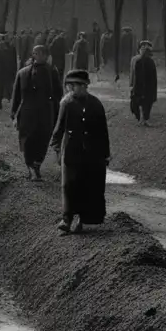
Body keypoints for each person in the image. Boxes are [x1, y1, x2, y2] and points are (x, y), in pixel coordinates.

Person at [50, 69, 110, 235]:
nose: (72, 89)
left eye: (75, 85)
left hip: (92, 152)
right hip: (71, 149)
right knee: (69, 185)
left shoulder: (96, 104)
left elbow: (103, 131)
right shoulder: (66, 103)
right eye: (70, 86)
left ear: (84, 86)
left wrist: (105, 153)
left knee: (88, 185)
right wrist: (55, 147)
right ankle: (66, 219)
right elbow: (59, 127)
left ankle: (83, 220)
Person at [10, 44, 63, 181]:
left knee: (43, 139)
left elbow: (58, 93)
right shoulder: (23, 73)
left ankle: (37, 165)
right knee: (28, 140)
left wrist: (57, 111)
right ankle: (30, 167)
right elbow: (16, 96)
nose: (38, 56)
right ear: (33, 55)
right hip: (27, 113)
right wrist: (13, 113)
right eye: (35, 53)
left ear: (46, 56)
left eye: (41, 53)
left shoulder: (52, 72)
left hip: (46, 112)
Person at [130, 40, 157, 126]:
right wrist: (132, 84)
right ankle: (142, 118)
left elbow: (153, 76)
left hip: (145, 85)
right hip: (141, 85)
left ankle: (144, 118)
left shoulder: (150, 62)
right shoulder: (136, 60)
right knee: (139, 102)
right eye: (142, 48)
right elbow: (133, 74)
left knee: (145, 102)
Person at [0, 33, 17, 111]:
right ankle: (6, 99)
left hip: (0, 71)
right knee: (7, 86)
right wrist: (14, 70)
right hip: (7, 71)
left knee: (0, 87)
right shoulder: (11, 48)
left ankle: (0, 103)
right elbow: (14, 61)